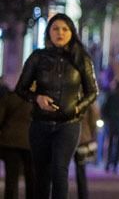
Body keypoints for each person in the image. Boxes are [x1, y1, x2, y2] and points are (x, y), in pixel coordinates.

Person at [15, 13, 99, 199]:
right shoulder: (37, 57)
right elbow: (21, 88)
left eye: (64, 29)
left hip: (68, 124)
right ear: (49, 32)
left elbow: (93, 92)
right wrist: (37, 98)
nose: (60, 33)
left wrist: (77, 108)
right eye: (55, 29)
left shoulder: (81, 59)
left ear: (71, 32)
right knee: (41, 175)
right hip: (40, 124)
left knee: (59, 169)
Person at [0, 91, 34, 199]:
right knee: (31, 178)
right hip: (30, 143)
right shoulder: (36, 100)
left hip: (10, 143)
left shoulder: (9, 97)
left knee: (11, 179)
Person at [102, 81, 119, 174]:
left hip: (112, 124)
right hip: (118, 124)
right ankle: (115, 164)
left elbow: (104, 109)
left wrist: (106, 119)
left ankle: (109, 163)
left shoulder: (111, 97)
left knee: (110, 143)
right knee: (118, 145)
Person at [74, 104, 100, 199]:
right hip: (82, 138)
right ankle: (83, 195)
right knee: (81, 169)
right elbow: (94, 119)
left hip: (67, 138)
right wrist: (91, 134)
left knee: (61, 169)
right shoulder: (87, 99)